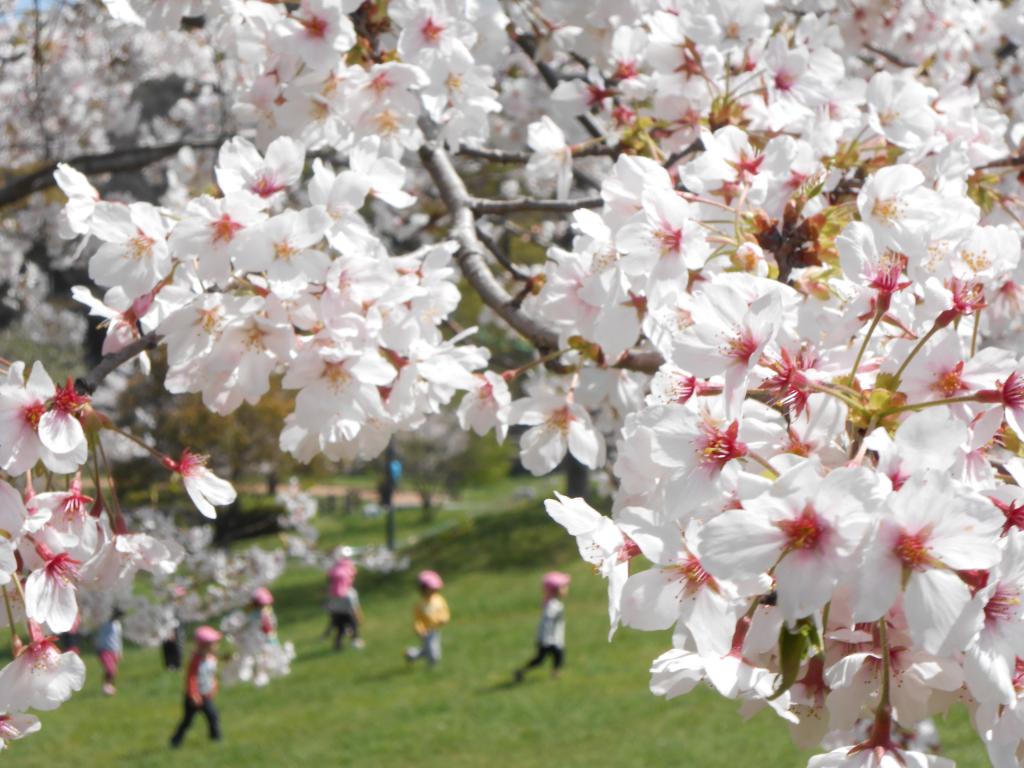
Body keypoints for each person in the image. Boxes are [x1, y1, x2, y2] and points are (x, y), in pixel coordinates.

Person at [170, 626, 222, 748]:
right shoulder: (196, 660)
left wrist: (213, 685)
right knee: (188, 721)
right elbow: (191, 678)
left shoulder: (212, 658)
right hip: (194, 697)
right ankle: (175, 741)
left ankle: (216, 738)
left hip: (206, 695)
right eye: (213, 643)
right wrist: (193, 694)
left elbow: (211, 674)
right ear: (204, 645)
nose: (216, 645)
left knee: (213, 716)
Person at [515, 571, 570, 683]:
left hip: (553, 638)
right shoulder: (553, 606)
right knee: (541, 659)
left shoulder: (553, 603)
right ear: (555, 590)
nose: (566, 589)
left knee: (557, 656)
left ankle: (556, 673)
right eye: (563, 587)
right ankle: (522, 671)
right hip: (549, 639)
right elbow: (547, 622)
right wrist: (547, 640)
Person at [404, 570, 449, 666]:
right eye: (430, 589)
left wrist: (444, 618)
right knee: (434, 652)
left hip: (436, 629)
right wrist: (420, 629)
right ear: (423, 589)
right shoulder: (420, 604)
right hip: (426, 631)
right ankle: (432, 667)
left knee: (428, 649)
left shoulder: (439, 600)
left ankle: (411, 654)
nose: (432, 591)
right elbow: (417, 619)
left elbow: (444, 611)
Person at [326, 558, 364, 651]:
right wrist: (359, 616)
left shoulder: (332, 591)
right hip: (348, 612)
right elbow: (355, 606)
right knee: (353, 626)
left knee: (340, 629)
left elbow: (330, 606)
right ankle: (356, 641)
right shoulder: (350, 592)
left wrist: (332, 615)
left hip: (337, 613)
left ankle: (338, 645)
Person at [95, 608, 124, 696]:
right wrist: (98, 647)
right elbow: (100, 636)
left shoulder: (118, 625)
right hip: (104, 650)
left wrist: (120, 651)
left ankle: (109, 686)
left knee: (113, 671)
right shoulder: (105, 624)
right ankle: (106, 686)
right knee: (110, 669)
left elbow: (118, 639)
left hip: (114, 650)